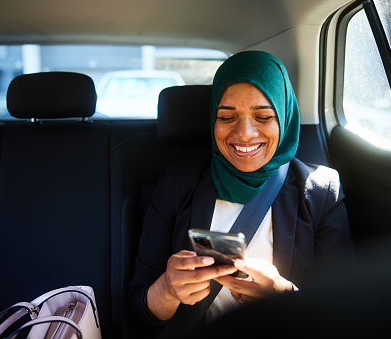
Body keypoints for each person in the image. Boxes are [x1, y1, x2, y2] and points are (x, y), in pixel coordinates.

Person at [129, 51, 353, 338]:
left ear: (284, 118)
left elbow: (344, 311)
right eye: (227, 116)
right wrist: (167, 289)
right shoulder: (177, 184)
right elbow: (138, 307)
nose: (245, 133)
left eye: (263, 116)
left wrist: (283, 295)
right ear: (213, 118)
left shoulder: (321, 191)